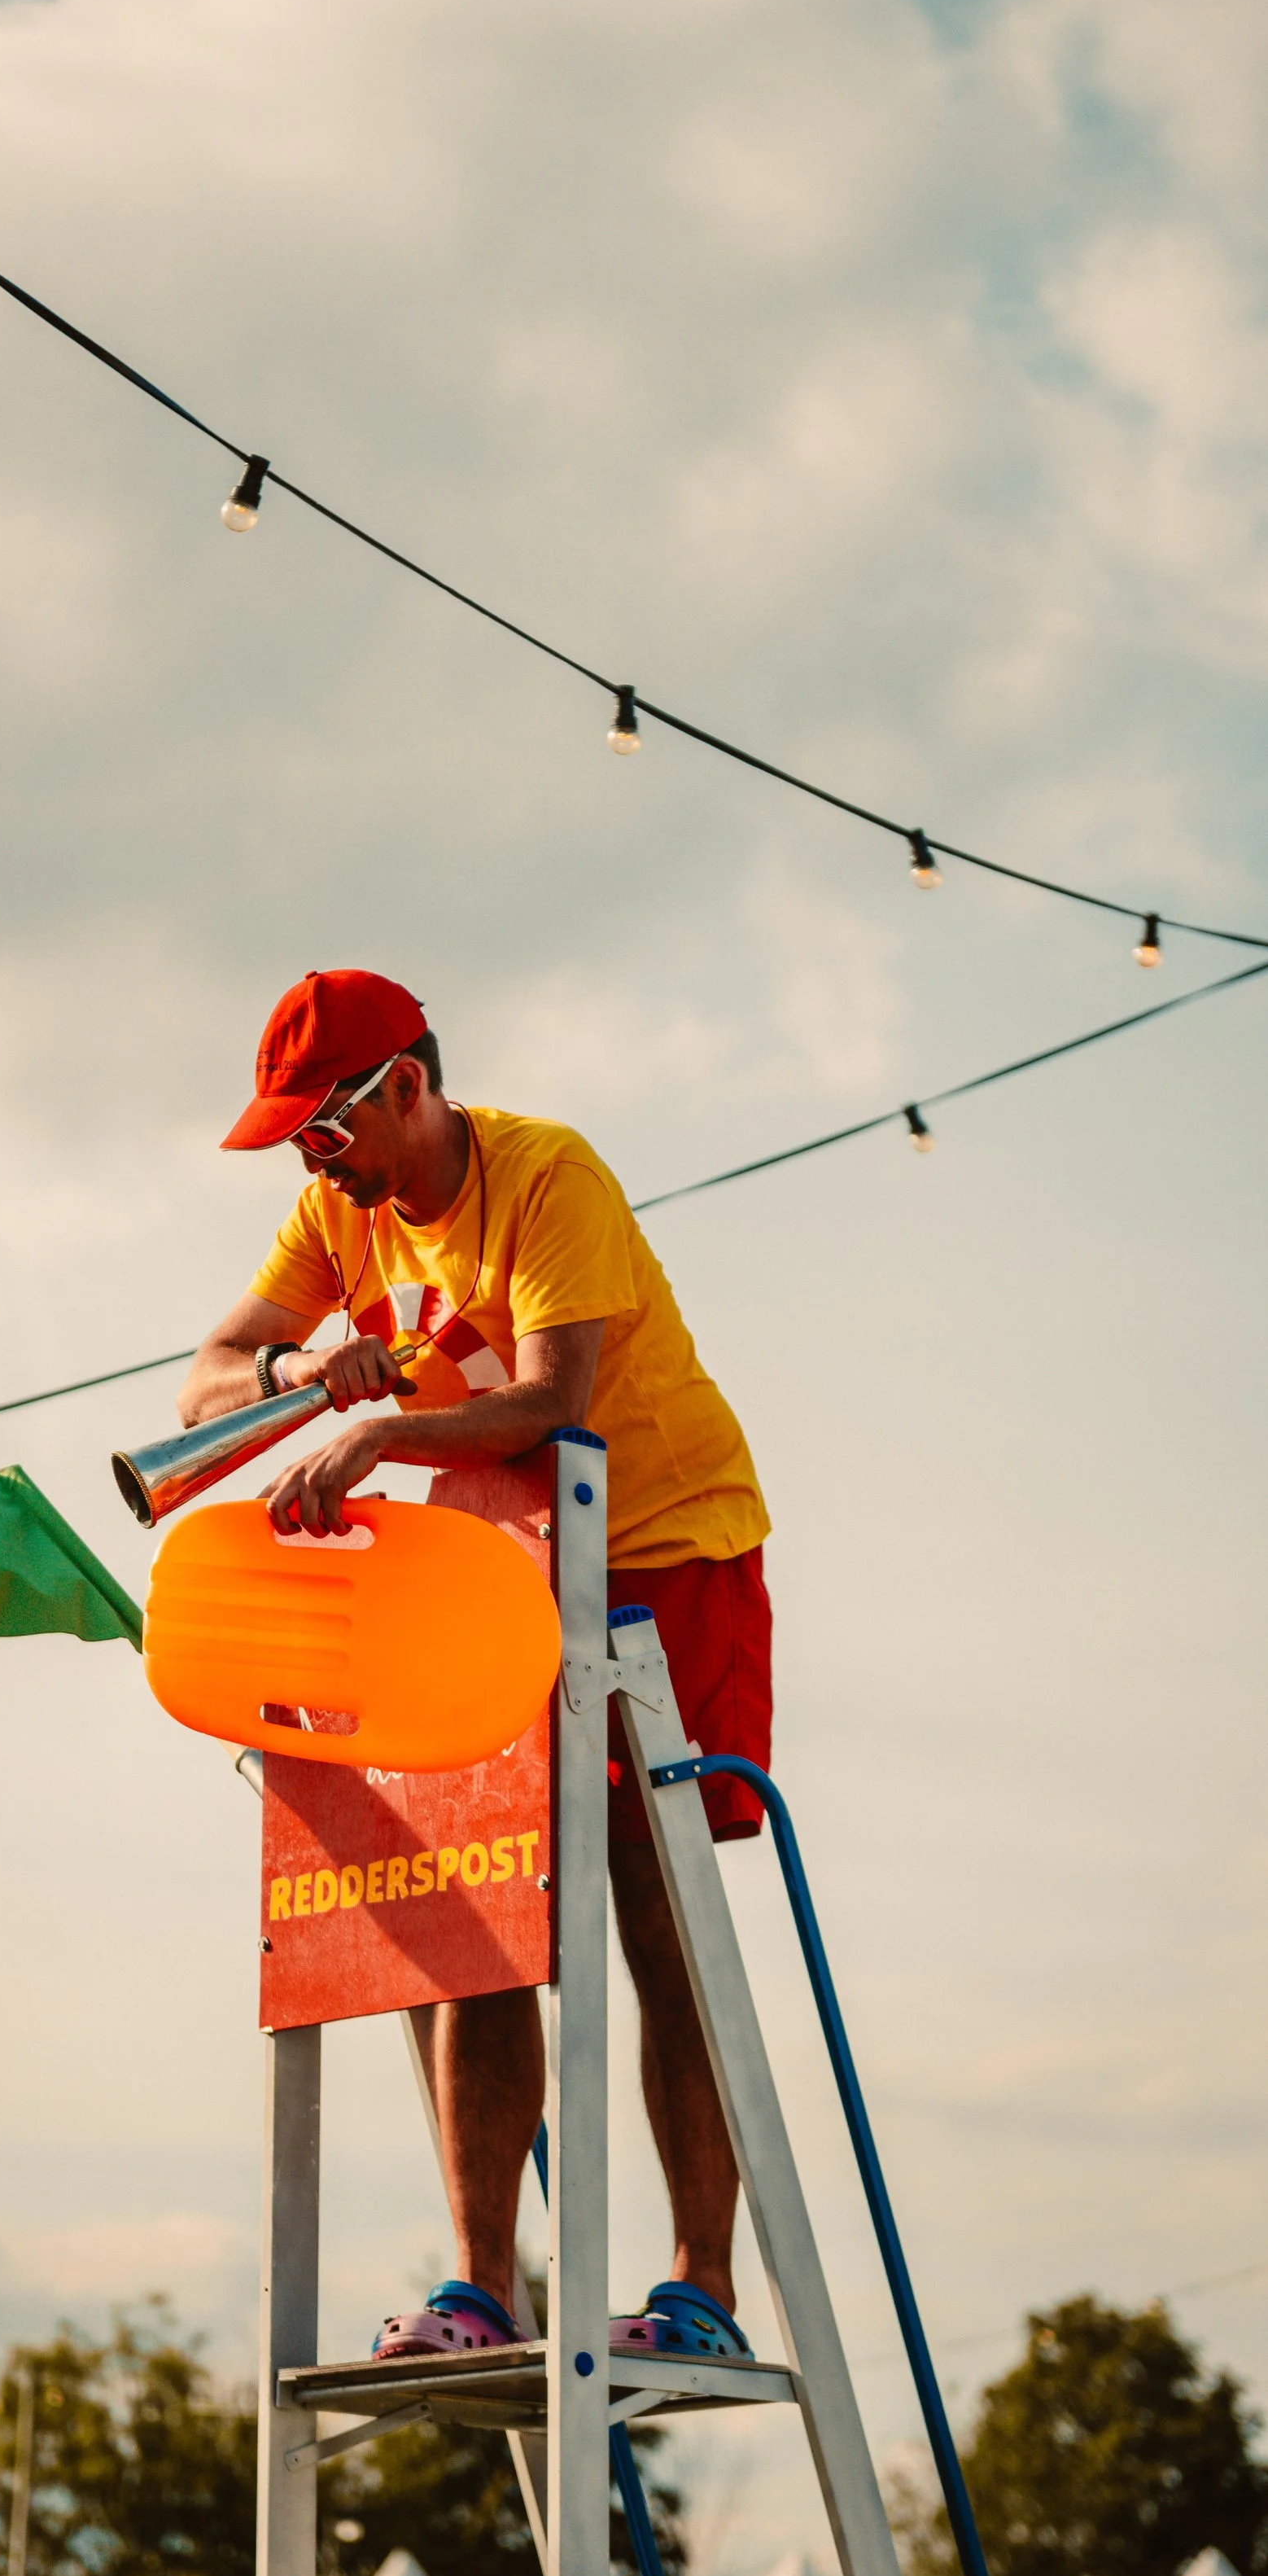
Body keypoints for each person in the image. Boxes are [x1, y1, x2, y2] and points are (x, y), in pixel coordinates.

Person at [183, 970, 772, 2359]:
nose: (310, 1164)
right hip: (498, 1568)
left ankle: (702, 2289)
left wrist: (381, 1434)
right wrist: (296, 1380)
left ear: (407, 1085)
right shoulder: (345, 1207)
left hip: (662, 1548)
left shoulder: (547, 1173)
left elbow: (554, 1404)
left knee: (653, 1905)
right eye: (293, 1144)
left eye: (323, 1130)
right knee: (481, 1908)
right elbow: (206, 1374)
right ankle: (478, 2286)